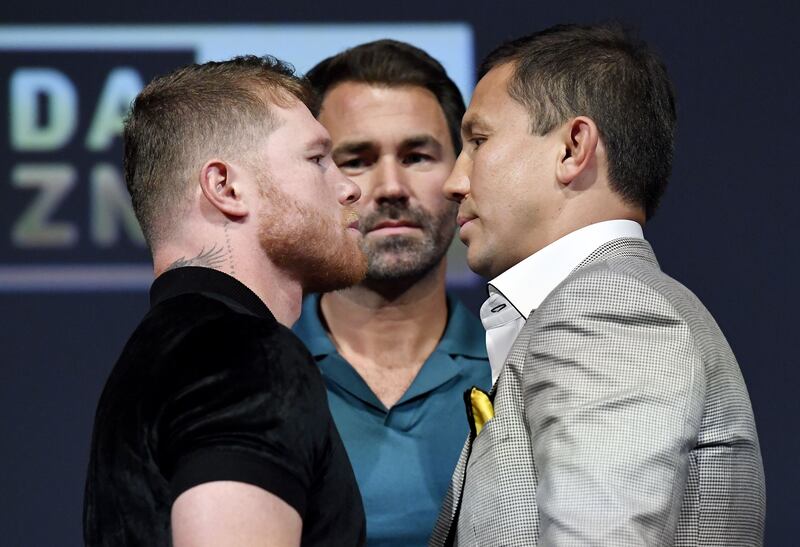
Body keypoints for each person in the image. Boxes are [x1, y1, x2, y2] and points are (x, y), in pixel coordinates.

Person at [431, 24, 766, 546]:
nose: (454, 181)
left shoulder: (606, 308)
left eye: (478, 141)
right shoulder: (605, 302)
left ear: (572, 148)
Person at [83, 56, 368, 547]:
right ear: (225, 187)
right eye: (317, 158)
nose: (349, 186)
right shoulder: (244, 354)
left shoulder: (155, 359)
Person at [292, 40, 490, 547]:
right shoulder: (254, 373)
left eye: (417, 155)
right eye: (355, 159)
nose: (391, 186)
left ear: (463, 174)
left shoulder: (522, 369)